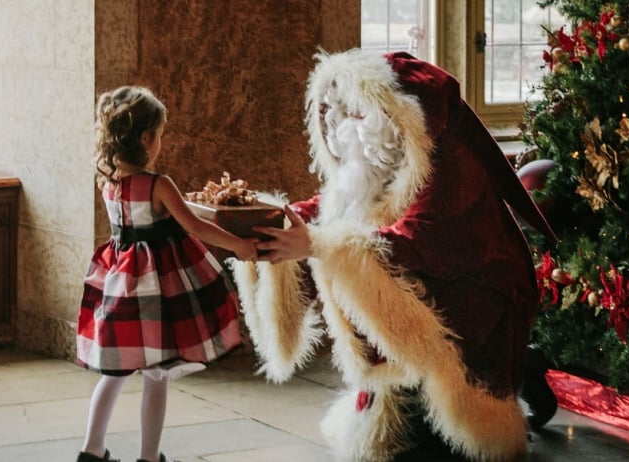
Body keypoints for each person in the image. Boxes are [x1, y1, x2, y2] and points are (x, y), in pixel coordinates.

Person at [234, 50, 559, 462]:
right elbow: (338, 207)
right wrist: (274, 219)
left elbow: (418, 240)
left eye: (356, 113)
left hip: (476, 293)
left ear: (395, 115)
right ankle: (392, 403)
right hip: (424, 284)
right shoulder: (378, 158)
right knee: (357, 261)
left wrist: (315, 244)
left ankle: (470, 411)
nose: (343, 127)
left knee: (368, 267)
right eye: (337, 112)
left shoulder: (449, 164)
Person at [76, 86, 254, 462]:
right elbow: (196, 227)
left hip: (121, 284)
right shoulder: (159, 185)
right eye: (159, 135)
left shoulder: (110, 182)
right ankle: (148, 456)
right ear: (145, 138)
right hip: (158, 293)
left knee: (114, 373)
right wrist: (239, 245)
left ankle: (91, 450)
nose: (160, 142)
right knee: (156, 377)